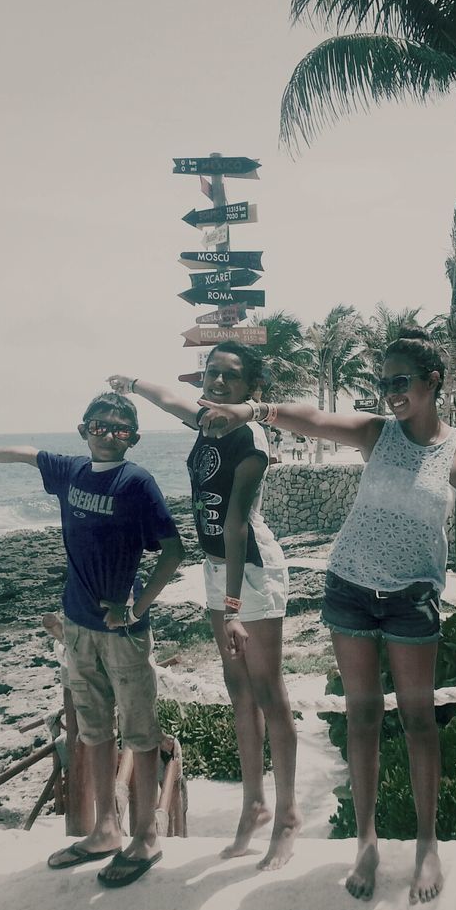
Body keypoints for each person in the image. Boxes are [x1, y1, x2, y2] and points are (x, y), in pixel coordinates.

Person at [196, 327, 456, 904]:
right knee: (362, 720)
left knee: (418, 723)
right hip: (350, 589)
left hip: (414, 598)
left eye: (400, 382)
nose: (390, 392)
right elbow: (309, 420)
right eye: (382, 382)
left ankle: (427, 844)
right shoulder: (376, 433)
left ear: (432, 382)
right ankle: (365, 842)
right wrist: (252, 409)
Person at [0, 392, 184, 888]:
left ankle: (145, 837)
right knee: (93, 732)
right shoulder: (71, 472)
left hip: (123, 634)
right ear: (83, 429)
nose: (107, 433)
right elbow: (27, 454)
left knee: (140, 736)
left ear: (133, 438)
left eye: (119, 429)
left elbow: (173, 549)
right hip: (77, 625)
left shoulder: (137, 482)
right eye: (99, 425)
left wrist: (137, 609)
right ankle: (105, 830)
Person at [108, 341, 301, 870]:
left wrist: (234, 607)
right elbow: (172, 399)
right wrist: (132, 383)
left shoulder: (250, 436)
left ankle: (286, 816)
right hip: (218, 570)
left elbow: (237, 524)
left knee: (269, 691)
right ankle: (253, 805)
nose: (217, 383)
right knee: (239, 690)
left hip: (252, 572)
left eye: (229, 377)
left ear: (250, 388)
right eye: (211, 374)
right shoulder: (208, 422)